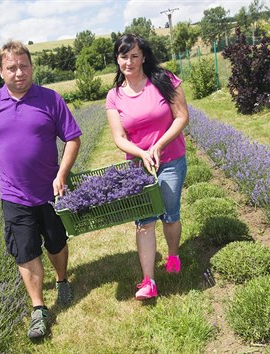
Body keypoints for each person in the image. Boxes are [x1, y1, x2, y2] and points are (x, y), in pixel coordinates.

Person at [0, 40, 82, 339]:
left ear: (32, 67)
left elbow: (72, 139)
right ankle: (39, 308)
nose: (19, 73)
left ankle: (61, 280)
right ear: (1, 71)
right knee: (25, 250)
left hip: (50, 191)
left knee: (56, 242)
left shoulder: (50, 99)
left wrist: (62, 173)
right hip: (13, 195)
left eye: (24, 66)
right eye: (12, 68)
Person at [105, 33, 189, 301]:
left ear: (143, 57)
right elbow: (119, 138)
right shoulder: (115, 96)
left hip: (171, 160)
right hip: (138, 168)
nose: (128, 62)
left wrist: (158, 145)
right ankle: (149, 280)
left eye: (134, 56)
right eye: (123, 56)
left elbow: (182, 117)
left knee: (170, 214)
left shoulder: (163, 80)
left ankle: (173, 254)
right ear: (117, 59)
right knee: (144, 221)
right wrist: (141, 152)